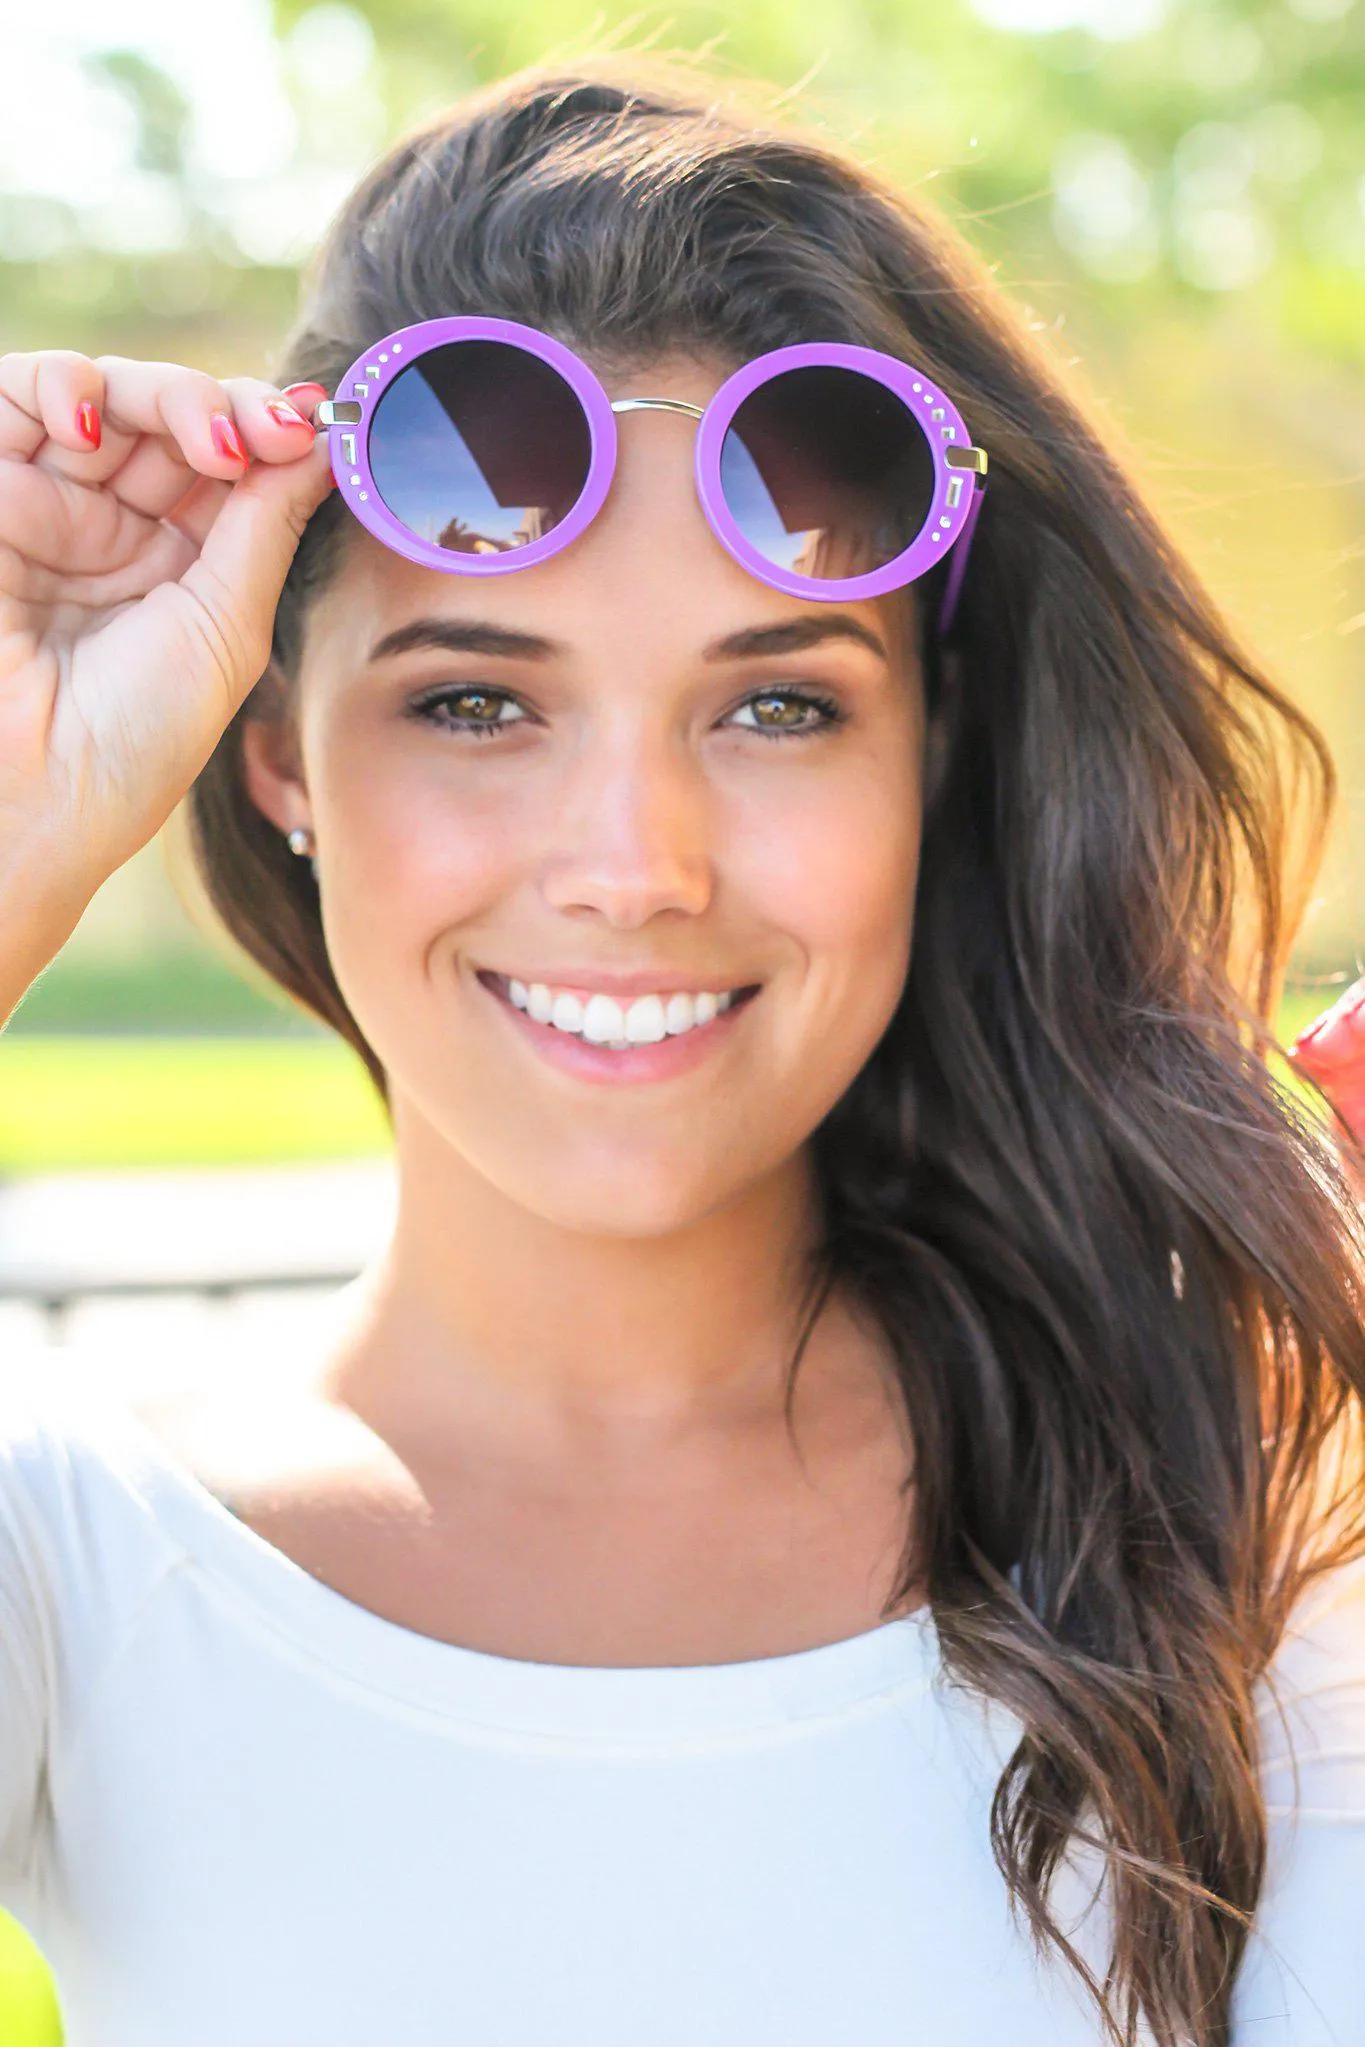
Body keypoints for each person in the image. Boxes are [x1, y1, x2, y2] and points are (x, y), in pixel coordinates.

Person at [1, 50, 1364, 2047]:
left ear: (937, 762)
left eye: (779, 710)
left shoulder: (1250, 1517)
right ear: (276, 753)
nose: (633, 865)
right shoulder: (80, 1565)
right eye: (477, 706)